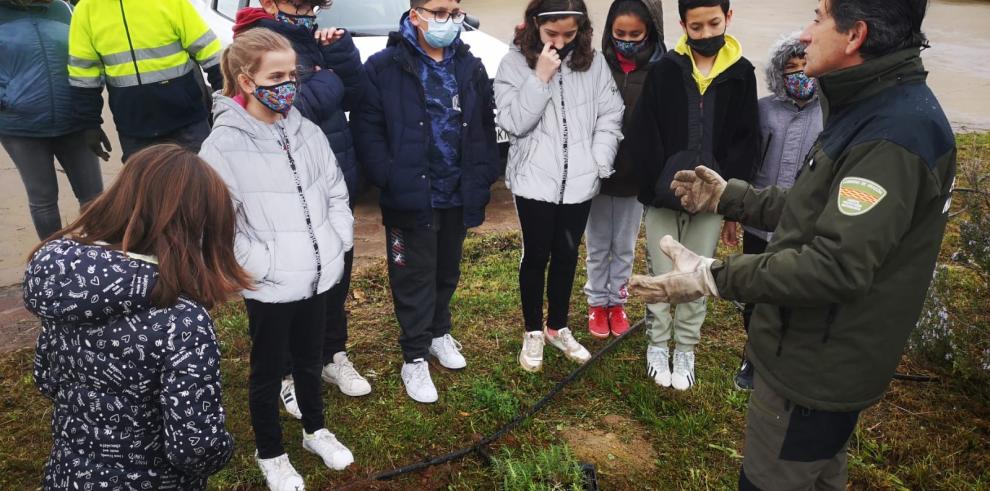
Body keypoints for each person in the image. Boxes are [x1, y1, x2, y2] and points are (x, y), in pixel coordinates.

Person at [629, 0, 954, 488]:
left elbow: (834, 267)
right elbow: (819, 205)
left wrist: (713, 276)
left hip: (814, 368)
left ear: (855, 36)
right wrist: (732, 196)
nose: (804, 34)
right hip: (818, 356)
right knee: (821, 474)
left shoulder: (892, 137)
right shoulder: (874, 107)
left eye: (819, 17)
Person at [25, 144, 249, 490]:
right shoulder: (182, 322)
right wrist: (222, 450)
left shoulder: (67, 285)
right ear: (197, 228)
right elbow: (195, 448)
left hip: (67, 475)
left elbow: (45, 377)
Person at [199, 29, 355, 489]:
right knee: (268, 370)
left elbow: (334, 188)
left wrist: (336, 238)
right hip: (269, 283)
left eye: (293, 74)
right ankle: (271, 452)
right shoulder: (222, 147)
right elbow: (219, 228)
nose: (289, 84)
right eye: (277, 76)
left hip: (317, 273)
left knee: (310, 358)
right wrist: (262, 265)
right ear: (246, 82)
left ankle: (315, 429)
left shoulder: (304, 128)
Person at [351, 0, 500, 404]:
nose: (448, 19)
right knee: (413, 276)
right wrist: (387, 175)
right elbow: (366, 126)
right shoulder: (384, 67)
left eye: (454, 11)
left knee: (446, 269)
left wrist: (484, 171)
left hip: (457, 189)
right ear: (415, 14)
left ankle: (438, 332)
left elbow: (486, 122)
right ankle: (413, 355)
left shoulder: (469, 65)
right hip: (411, 192)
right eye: (438, 10)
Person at [233, 0, 372, 417]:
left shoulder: (315, 41)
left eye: (315, 4)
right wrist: (327, 80)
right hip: (282, 192)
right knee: (289, 289)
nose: (307, 10)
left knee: (335, 281)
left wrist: (340, 56)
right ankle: (287, 374)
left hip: (330, 183)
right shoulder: (255, 42)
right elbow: (289, 109)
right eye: (298, 3)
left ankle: (333, 356)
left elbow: (358, 93)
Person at [626, 0, 759, 391]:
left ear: (728, 19)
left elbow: (746, 140)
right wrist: (653, 186)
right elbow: (644, 131)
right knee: (661, 269)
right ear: (683, 24)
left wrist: (732, 201)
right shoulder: (664, 70)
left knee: (698, 273)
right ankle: (656, 343)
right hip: (663, 196)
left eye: (713, 24)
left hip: (712, 202)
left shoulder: (742, 74)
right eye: (696, 27)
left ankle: (684, 348)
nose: (705, 34)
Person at [495, 0, 625, 373]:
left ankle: (558, 326)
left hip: (580, 181)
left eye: (570, 34)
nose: (562, 42)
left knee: (568, 255)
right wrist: (539, 77)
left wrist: (598, 160)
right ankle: (533, 330)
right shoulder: (513, 64)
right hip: (534, 181)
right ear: (534, 24)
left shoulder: (593, 61)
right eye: (553, 34)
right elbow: (513, 122)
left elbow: (611, 114)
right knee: (536, 255)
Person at [734, 32, 823, 391]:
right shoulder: (764, 110)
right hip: (759, 224)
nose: (800, 75)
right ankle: (753, 356)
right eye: (791, 69)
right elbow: (749, 161)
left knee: (793, 291)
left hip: (805, 225)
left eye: (806, 67)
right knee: (756, 291)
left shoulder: (831, 114)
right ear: (778, 74)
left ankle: (786, 359)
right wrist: (736, 213)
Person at [584, 0, 665, 340]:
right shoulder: (594, 66)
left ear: (651, 31)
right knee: (598, 243)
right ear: (609, 32)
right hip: (598, 176)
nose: (627, 40)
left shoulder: (663, 70)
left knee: (625, 244)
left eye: (636, 34)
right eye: (620, 34)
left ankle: (616, 302)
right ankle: (596, 302)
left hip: (636, 178)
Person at [67, 0, 224, 162]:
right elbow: (83, 74)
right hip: (134, 129)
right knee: (146, 187)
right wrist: (89, 123)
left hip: (187, 122)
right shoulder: (86, 10)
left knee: (202, 184)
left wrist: (226, 98)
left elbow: (209, 51)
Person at [1, 0, 104, 240]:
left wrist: (90, 114)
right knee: (43, 200)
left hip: (74, 121)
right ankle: (52, 263)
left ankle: (100, 257)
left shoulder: (63, 9)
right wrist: (6, 99)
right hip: (21, 127)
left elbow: (88, 54)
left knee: (94, 198)